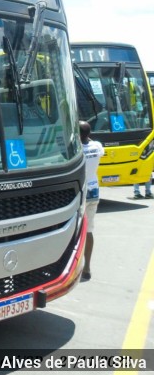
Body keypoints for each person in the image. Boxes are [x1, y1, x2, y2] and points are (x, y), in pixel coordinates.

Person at [79, 120, 104, 281]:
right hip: (94, 190)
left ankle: (75, 266)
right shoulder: (97, 146)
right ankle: (87, 266)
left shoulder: (76, 150)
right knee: (89, 230)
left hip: (81, 192)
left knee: (76, 232)